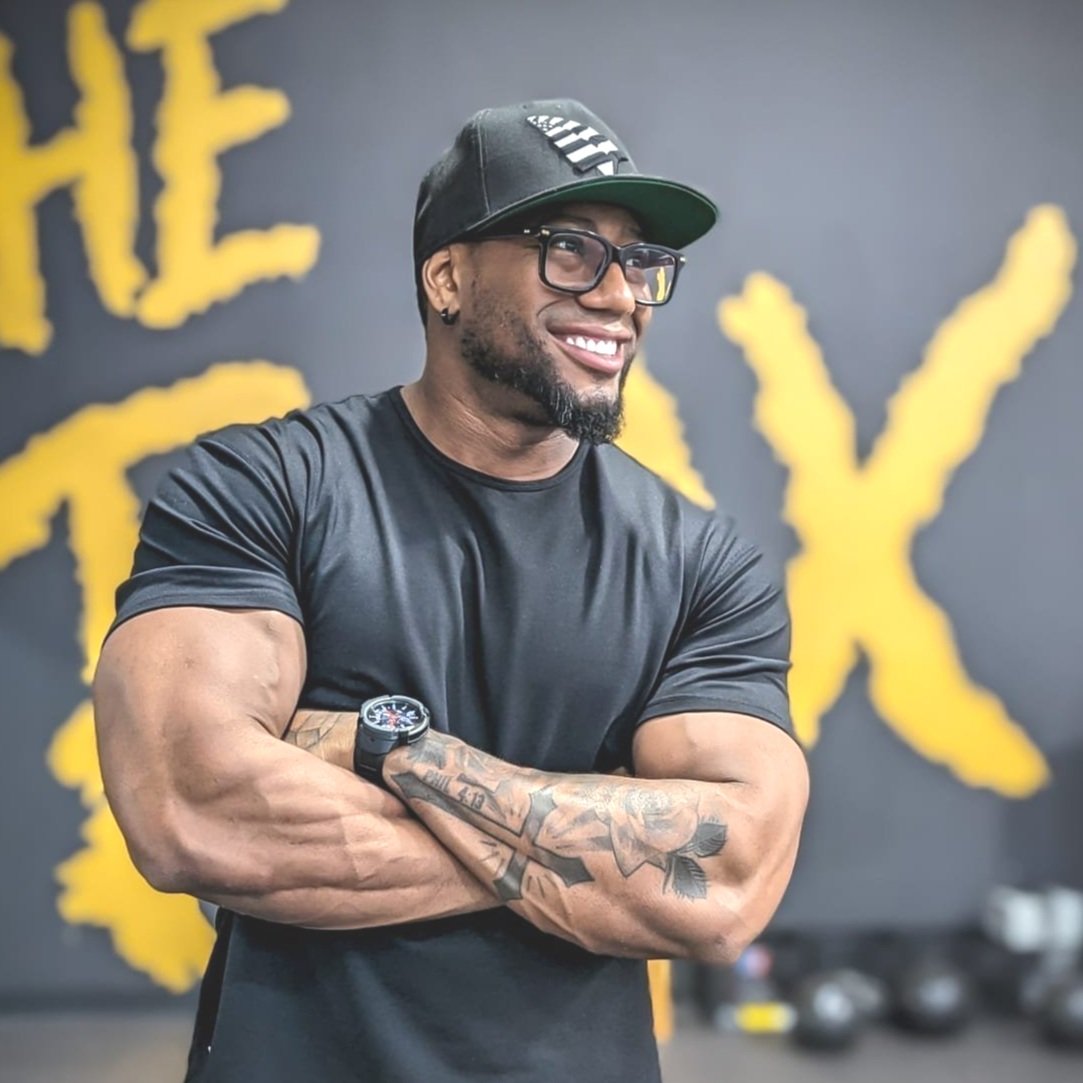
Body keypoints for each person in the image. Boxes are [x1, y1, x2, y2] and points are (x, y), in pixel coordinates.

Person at [94, 99, 809, 1083]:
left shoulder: (700, 564)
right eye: (571, 251)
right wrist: (599, 853)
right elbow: (189, 810)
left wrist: (392, 751)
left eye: (641, 264)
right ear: (448, 277)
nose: (620, 297)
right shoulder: (263, 488)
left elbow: (728, 883)